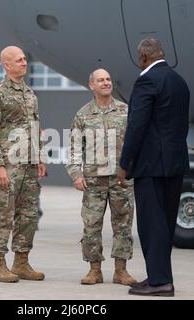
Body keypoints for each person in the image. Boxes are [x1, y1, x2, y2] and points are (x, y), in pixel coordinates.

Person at [118, 38, 190, 297]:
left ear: (143, 58)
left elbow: (137, 126)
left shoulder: (147, 80)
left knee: (151, 225)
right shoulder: (178, 81)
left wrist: (125, 164)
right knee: (166, 224)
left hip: (151, 164)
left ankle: (160, 281)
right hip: (175, 163)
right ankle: (160, 276)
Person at [0, 46, 47, 283]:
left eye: (24, 59)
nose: (24, 62)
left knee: (28, 215)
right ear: (6, 65)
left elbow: (35, 127)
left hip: (28, 165)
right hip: (8, 165)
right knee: (3, 213)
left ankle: (21, 262)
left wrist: (40, 157)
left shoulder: (30, 94)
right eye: (18, 60)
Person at [65, 69, 136, 286]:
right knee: (92, 225)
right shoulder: (83, 115)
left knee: (123, 225)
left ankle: (121, 270)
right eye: (100, 80)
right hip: (93, 181)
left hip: (121, 179)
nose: (106, 83)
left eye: (107, 79)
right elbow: (75, 148)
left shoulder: (125, 111)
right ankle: (94, 269)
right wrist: (76, 174)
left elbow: (136, 143)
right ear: (91, 86)